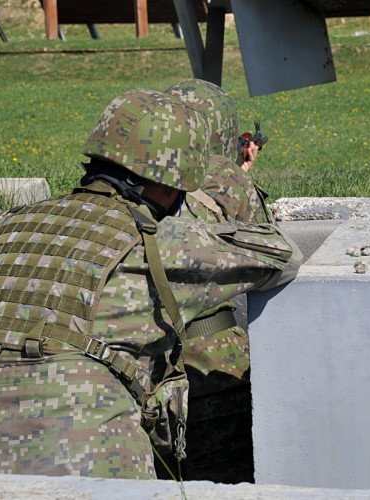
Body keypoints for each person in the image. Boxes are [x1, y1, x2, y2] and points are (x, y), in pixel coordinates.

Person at [0, 89, 302, 479]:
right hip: (96, 474)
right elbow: (280, 255)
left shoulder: (0, 234)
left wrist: (12, 221)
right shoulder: (165, 245)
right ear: (166, 187)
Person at [161, 79, 273, 483]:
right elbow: (268, 256)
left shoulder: (135, 171)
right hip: (206, 371)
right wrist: (241, 178)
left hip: (139, 364)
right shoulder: (225, 176)